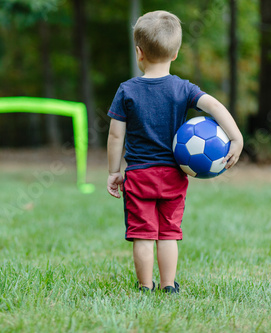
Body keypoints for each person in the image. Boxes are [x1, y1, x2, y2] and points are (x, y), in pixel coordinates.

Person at [106, 10, 243, 293]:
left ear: (138, 52)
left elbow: (115, 134)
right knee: (168, 233)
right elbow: (215, 107)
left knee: (143, 235)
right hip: (173, 176)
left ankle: (145, 286)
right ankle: (168, 285)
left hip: (139, 176)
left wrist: (114, 171)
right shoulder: (183, 88)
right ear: (176, 53)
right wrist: (236, 137)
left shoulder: (127, 90)